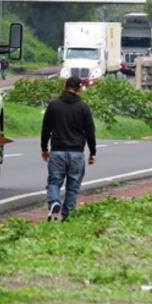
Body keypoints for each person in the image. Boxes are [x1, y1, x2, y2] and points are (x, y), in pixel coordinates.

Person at [40, 76, 97, 221]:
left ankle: (54, 202)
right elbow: (90, 132)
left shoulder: (54, 105)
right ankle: (67, 215)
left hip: (57, 151)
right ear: (79, 89)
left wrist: (44, 148)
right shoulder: (83, 107)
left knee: (54, 182)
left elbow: (46, 129)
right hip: (76, 153)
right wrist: (92, 152)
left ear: (65, 86)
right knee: (73, 186)